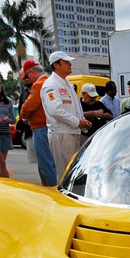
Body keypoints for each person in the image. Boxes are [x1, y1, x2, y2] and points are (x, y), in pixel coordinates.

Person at [40, 51, 91, 181]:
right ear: (56, 65)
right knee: (65, 174)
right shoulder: (51, 85)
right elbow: (55, 110)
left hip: (71, 132)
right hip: (61, 134)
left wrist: (82, 121)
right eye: (66, 62)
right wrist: (78, 122)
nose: (70, 64)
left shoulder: (66, 83)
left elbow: (75, 108)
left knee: (72, 172)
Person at [21, 59, 57, 186]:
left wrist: (23, 116)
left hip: (41, 128)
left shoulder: (39, 84)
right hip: (54, 127)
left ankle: (53, 191)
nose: (27, 80)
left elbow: (28, 106)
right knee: (55, 163)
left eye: (26, 77)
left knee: (46, 165)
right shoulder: (53, 82)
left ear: (31, 73)